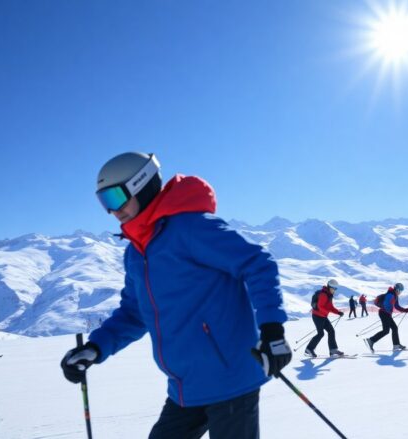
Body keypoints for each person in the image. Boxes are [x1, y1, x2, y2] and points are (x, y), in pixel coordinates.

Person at [60, 152, 290, 439]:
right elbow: (133, 313)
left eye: (116, 198)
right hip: (185, 386)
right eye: (104, 202)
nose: (112, 211)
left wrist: (272, 330)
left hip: (230, 378)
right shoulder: (136, 253)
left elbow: (258, 264)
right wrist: (95, 348)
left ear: (141, 185)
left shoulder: (191, 228)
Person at [364, 283, 408, 352]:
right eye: (399, 290)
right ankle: (370, 340)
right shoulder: (390, 295)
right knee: (386, 331)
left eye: (401, 291)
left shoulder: (395, 296)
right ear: (396, 289)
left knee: (394, 328)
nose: (400, 292)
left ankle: (396, 345)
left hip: (387, 314)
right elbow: (385, 304)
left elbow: (396, 306)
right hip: (383, 313)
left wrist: (404, 310)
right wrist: (389, 311)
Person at [304, 279, 344, 358]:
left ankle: (333, 350)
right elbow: (320, 307)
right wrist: (327, 311)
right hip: (317, 316)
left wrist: (338, 312)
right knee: (320, 333)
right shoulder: (323, 295)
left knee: (331, 331)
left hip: (323, 316)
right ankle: (309, 349)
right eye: (333, 288)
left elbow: (330, 307)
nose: (334, 290)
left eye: (335, 289)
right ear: (329, 287)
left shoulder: (329, 295)